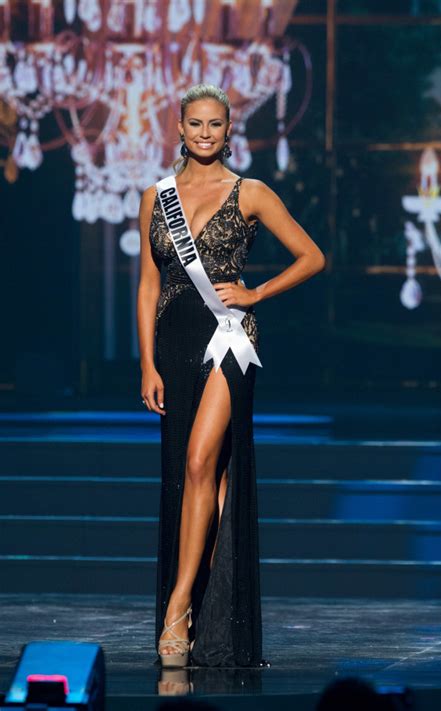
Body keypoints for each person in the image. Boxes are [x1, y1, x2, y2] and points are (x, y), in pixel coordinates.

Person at [137, 83, 325, 668]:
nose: (205, 134)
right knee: (200, 479)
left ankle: (178, 606)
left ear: (228, 130)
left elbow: (313, 256)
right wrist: (145, 361)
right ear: (180, 127)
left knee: (200, 463)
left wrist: (255, 293)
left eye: (216, 125)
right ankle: (210, 612)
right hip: (173, 344)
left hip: (228, 340)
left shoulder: (249, 192)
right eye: (196, 124)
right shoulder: (156, 196)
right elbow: (148, 286)